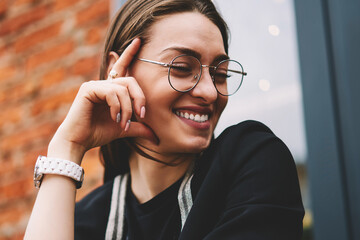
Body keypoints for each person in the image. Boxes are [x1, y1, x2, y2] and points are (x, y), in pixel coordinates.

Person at [24, 0, 304, 239]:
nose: (209, 91)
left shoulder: (253, 163)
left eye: (220, 74)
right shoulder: (85, 220)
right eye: (182, 68)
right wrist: (67, 147)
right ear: (119, 71)